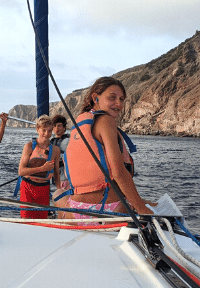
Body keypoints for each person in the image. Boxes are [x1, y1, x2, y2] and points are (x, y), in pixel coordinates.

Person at [57, 76, 153, 222]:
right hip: (106, 210)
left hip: (75, 209)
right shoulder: (106, 121)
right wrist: (142, 210)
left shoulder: (80, 123)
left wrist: (140, 201)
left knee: (57, 193)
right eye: (112, 98)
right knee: (149, 206)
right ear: (95, 98)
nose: (118, 104)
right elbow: (118, 172)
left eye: (121, 99)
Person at [17, 115, 60, 219]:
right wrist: (42, 169)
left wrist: (61, 191)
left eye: (49, 131)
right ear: (37, 129)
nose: (46, 134)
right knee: (26, 220)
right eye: (43, 130)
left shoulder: (55, 150)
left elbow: (56, 173)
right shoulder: (29, 146)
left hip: (44, 189)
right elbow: (21, 171)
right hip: (28, 187)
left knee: (42, 222)